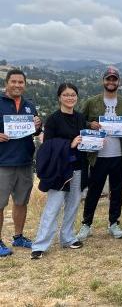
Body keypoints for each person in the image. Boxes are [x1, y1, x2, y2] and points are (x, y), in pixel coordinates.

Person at [77, 66, 122, 241]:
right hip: (98, 155)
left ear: (119, 82)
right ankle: (86, 225)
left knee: (116, 191)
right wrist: (89, 125)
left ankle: (114, 224)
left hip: (119, 155)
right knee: (93, 191)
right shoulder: (91, 102)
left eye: (114, 79)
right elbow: (78, 121)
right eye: (108, 79)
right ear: (103, 81)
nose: (111, 82)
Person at [31, 83, 85, 259]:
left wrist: (94, 141)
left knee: (73, 204)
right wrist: (69, 144)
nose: (70, 98)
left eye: (73, 94)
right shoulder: (53, 119)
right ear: (59, 97)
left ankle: (68, 238)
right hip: (60, 169)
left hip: (77, 167)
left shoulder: (80, 117)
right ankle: (40, 245)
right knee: (53, 206)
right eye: (66, 95)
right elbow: (47, 147)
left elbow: (84, 140)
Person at [0, 69, 42, 257]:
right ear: (6, 83)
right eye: (14, 81)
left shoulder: (29, 106)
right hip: (2, 162)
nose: (17, 85)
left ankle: (18, 236)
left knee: (21, 202)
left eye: (21, 82)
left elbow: (33, 132)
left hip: (24, 161)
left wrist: (38, 126)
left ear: (25, 85)